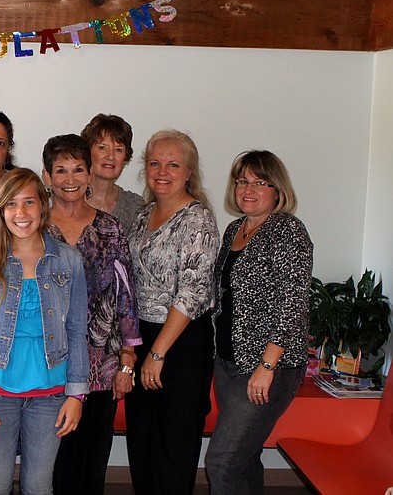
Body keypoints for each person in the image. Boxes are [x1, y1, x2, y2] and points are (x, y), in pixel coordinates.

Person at [0, 167, 89, 495]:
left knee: (39, 485)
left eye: (29, 202)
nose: (21, 212)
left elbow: (76, 330)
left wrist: (76, 394)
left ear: (43, 206)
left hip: (51, 393)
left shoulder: (68, 260)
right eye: (12, 204)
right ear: (1, 211)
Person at [204, 150, 313, 495]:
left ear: (277, 189)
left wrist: (267, 366)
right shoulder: (234, 229)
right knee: (244, 457)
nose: (248, 189)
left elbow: (293, 303)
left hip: (267, 366)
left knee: (221, 463)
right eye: (242, 181)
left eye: (260, 182)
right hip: (228, 363)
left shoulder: (287, 230)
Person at [41, 135, 141, 494]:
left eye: (78, 169)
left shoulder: (110, 228)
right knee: (51, 465)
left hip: (102, 364)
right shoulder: (33, 226)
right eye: (61, 170)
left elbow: (126, 298)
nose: (70, 179)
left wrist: (127, 362)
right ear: (47, 176)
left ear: (89, 174)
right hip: (46, 363)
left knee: (91, 463)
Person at [125, 130, 220, 495]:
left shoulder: (198, 220)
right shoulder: (144, 214)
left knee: (173, 446)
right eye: (155, 163)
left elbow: (193, 292)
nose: (162, 172)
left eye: (173, 164)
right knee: (143, 440)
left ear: (188, 172)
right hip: (143, 337)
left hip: (180, 342)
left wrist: (158, 353)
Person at [81, 113, 145, 234]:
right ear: (87, 152)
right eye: (102, 147)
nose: (110, 156)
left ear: (125, 158)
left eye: (118, 150)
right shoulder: (69, 199)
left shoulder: (135, 207)